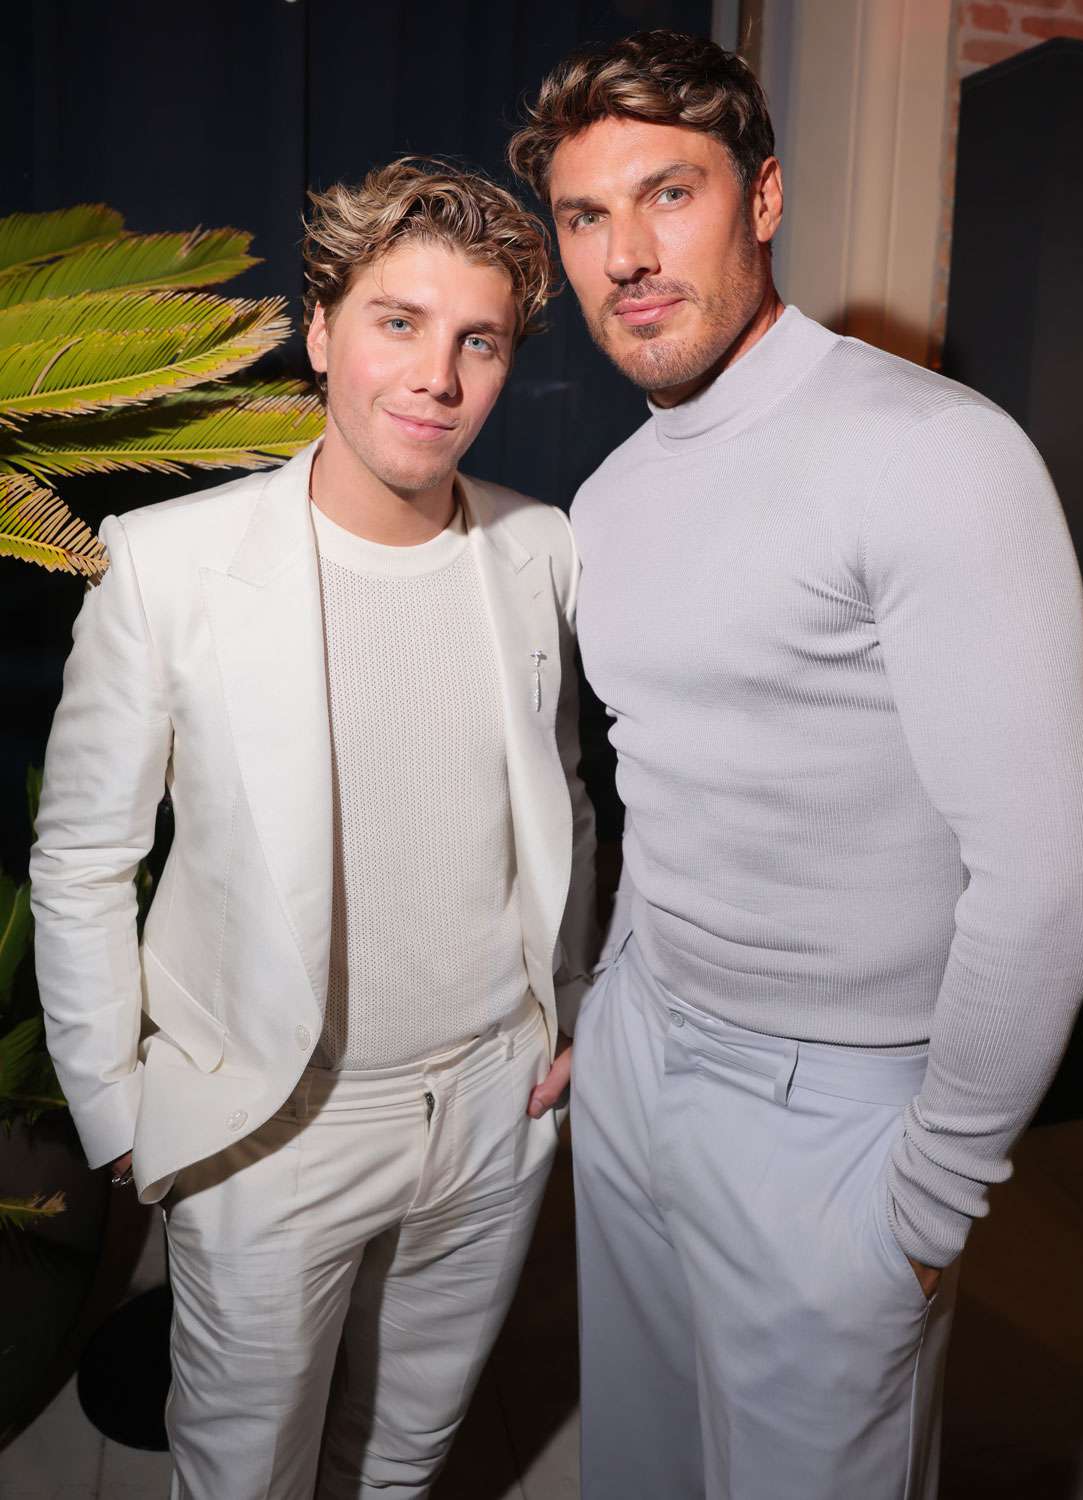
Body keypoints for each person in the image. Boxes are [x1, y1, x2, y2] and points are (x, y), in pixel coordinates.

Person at [509, 30, 1083, 1500]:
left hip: (838, 1114)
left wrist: (929, 1200)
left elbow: (1048, 880)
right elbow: (660, 785)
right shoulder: (610, 493)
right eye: (587, 218)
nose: (627, 255)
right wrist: (615, 1006)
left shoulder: (931, 453)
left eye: (671, 194)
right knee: (641, 1470)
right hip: (649, 1055)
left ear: (763, 199)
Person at [30, 157, 596, 1500]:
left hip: (490, 1106)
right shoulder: (169, 566)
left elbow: (560, 796)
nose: (436, 377)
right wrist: (118, 1109)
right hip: (276, 1128)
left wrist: (560, 1016)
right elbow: (82, 859)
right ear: (324, 328)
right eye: (399, 323)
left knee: (403, 1452)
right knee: (246, 1470)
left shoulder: (539, 550)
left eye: (479, 341)